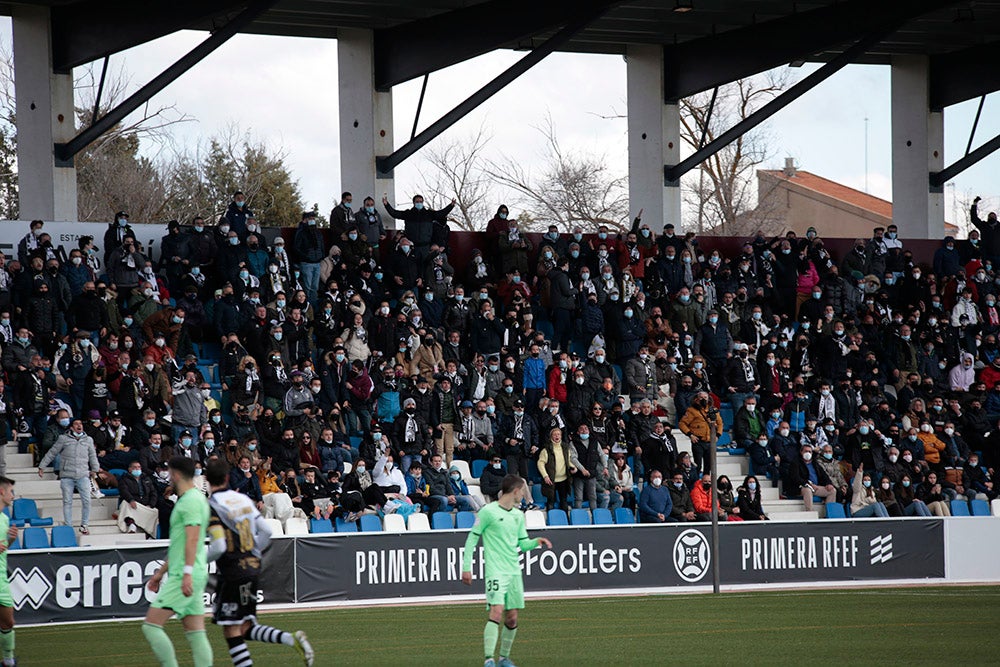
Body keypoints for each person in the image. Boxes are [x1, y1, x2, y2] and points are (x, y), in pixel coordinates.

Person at [204, 459, 314, 667]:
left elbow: (218, 546)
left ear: (207, 480)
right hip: (252, 568)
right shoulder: (242, 500)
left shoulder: (213, 505)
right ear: (228, 478)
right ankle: (291, 639)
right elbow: (265, 530)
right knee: (245, 627)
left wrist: (196, 562)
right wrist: (254, 553)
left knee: (231, 629)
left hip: (232, 571)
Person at [461, 474, 553, 667]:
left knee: (511, 618)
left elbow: (522, 544)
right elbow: (472, 538)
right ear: (516, 491)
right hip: (496, 571)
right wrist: (466, 567)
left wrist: (536, 541)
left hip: (514, 571)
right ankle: (489, 660)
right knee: (496, 611)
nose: (524, 495)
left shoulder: (518, 515)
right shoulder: (488, 511)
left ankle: (504, 658)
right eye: (523, 491)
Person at [143, 456, 213, 667]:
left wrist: (187, 574)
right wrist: (160, 572)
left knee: (151, 626)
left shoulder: (191, 501)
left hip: (186, 573)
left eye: (170, 472)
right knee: (195, 632)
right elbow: (182, 543)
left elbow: (192, 539)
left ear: (177, 474)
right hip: (191, 570)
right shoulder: (194, 499)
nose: (169, 477)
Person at [38, 417, 99, 535]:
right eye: (76, 424)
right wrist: (42, 466)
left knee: (87, 500)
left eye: (80, 423)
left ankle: (84, 525)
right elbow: (52, 452)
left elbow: (92, 455)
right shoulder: (63, 439)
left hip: (83, 475)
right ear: (71, 427)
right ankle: (68, 525)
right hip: (67, 475)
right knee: (67, 501)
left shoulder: (88, 440)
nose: (79, 426)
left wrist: (95, 469)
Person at [0, 476, 19, 667]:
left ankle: (8, 660)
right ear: (1, 492)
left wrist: (11, 540)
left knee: (8, 623)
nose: (13, 496)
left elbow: (3, 547)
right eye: (11, 492)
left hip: (1, 579)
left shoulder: (4, 518)